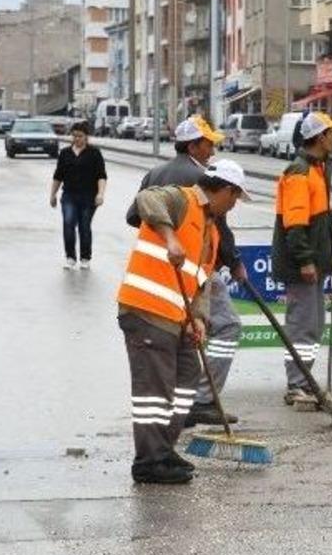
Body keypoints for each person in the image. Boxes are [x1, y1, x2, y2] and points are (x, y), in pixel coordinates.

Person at [117, 159, 251, 484]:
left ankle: (164, 449)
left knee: (187, 376)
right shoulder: (181, 198)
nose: (234, 205)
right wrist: (169, 237)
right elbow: (145, 200)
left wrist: (199, 319)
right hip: (146, 310)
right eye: (235, 198)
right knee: (155, 390)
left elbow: (200, 281)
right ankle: (149, 461)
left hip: (178, 318)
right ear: (224, 190)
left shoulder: (212, 229)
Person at [126, 115, 246, 428]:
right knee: (227, 325)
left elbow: (133, 217)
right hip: (188, 271)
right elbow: (217, 228)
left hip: (166, 275)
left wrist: (160, 237)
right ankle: (203, 401)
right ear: (193, 144)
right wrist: (231, 261)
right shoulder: (201, 178)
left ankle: (178, 417)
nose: (212, 150)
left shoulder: (156, 171)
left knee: (180, 349)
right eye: (209, 144)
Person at [272, 112, 332, 404]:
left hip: (313, 261)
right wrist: (305, 261)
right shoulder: (300, 172)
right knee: (302, 325)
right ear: (318, 138)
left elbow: (311, 214)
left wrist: (329, 214)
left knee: (313, 325)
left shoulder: (317, 169)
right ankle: (297, 384)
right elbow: (295, 224)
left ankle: (305, 380)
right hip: (302, 265)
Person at [50, 121, 107, 270]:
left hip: (89, 197)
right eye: (74, 136)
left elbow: (101, 176)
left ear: (86, 137)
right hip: (69, 195)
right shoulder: (65, 153)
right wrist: (53, 194)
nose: (77, 139)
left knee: (84, 226)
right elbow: (58, 176)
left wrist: (100, 194)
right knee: (68, 223)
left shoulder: (94, 153)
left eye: (80, 136)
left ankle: (85, 257)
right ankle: (70, 257)